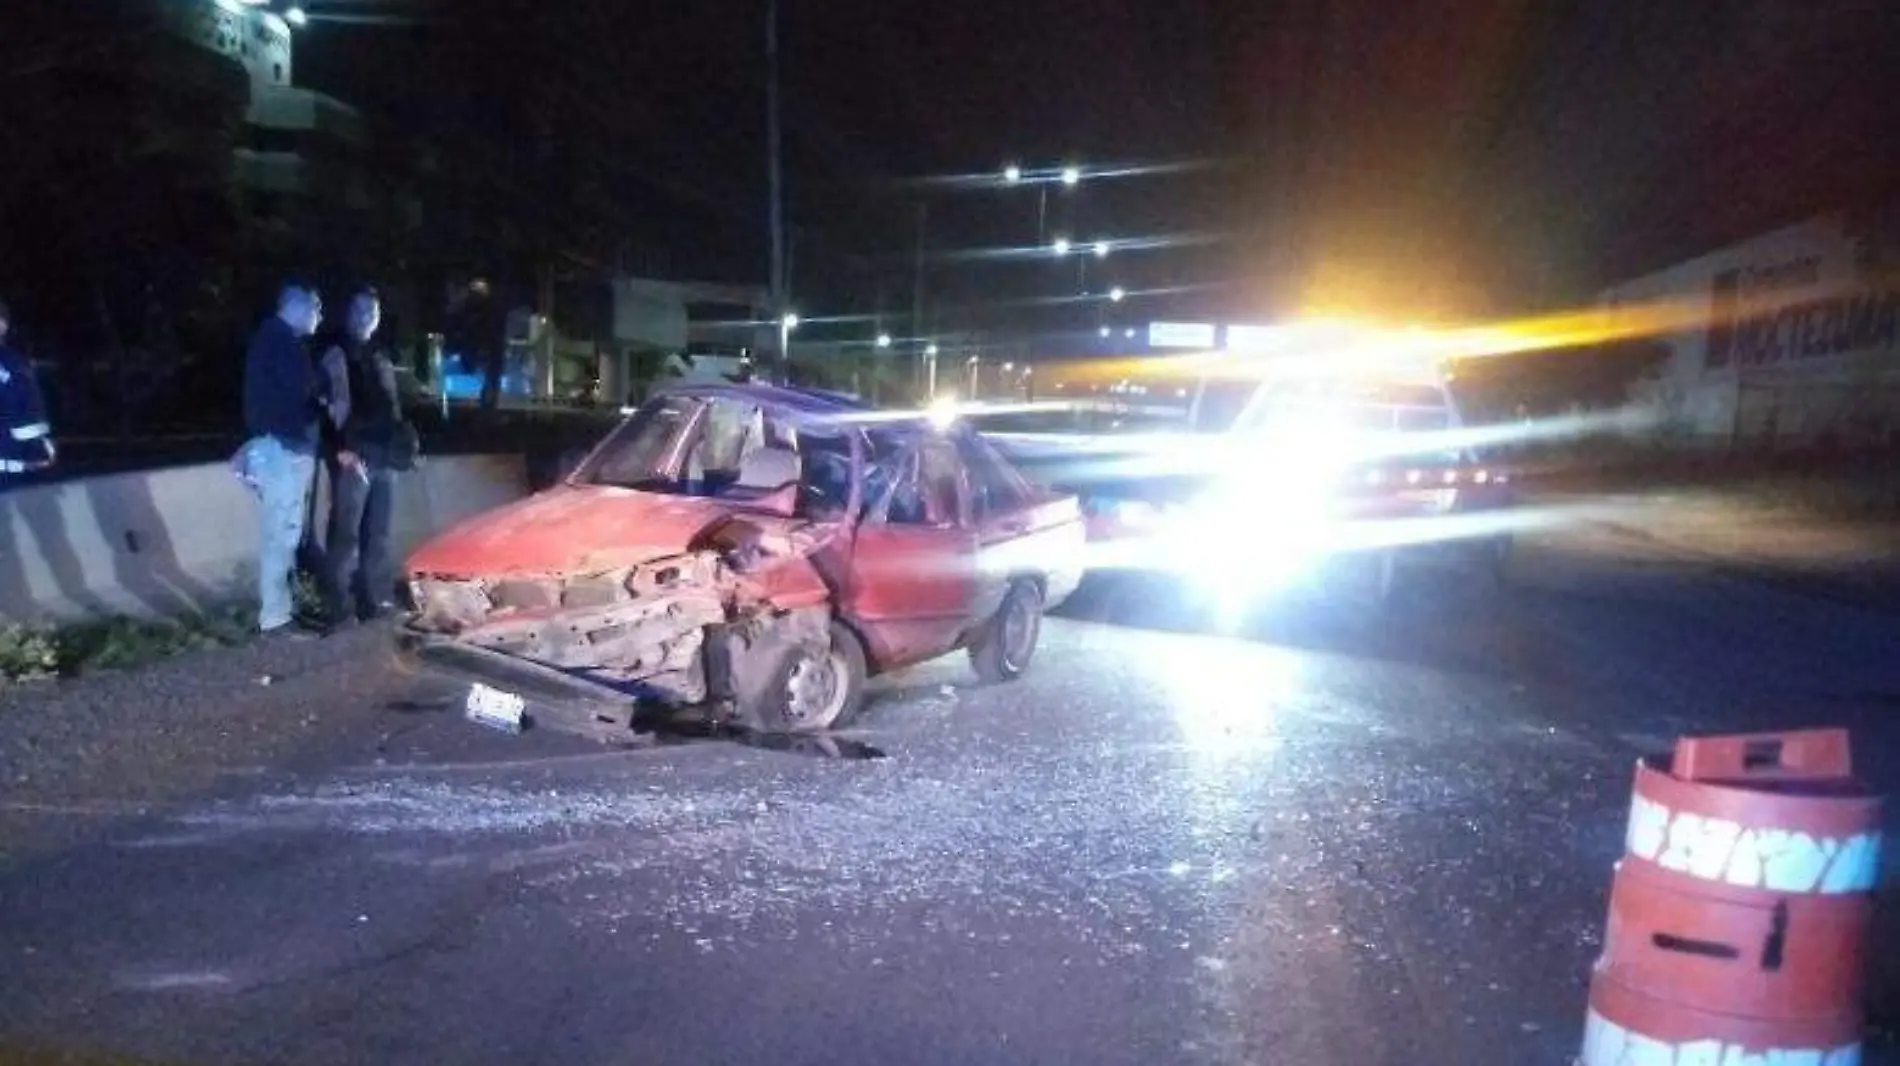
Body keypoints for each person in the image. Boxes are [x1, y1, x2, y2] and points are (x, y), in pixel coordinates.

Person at [317, 285, 417, 625]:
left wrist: (404, 447)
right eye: (360, 310)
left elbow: (393, 407)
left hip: (385, 458)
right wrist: (340, 449)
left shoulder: (380, 356)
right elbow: (328, 407)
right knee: (345, 535)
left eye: (372, 311)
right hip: (354, 458)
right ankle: (339, 607)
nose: (366, 317)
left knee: (378, 534)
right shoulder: (336, 354)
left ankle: (373, 601)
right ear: (348, 313)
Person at [240, 280, 325, 636]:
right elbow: (295, 397)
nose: (320, 315)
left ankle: (283, 611)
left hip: (282, 447)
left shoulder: (277, 340)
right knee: (280, 534)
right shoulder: (280, 342)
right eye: (316, 307)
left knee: (286, 533)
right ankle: (275, 617)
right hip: (281, 449)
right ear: (296, 305)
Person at [0, 299, 56, 483]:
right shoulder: (12, 364)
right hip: (11, 471)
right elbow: (29, 415)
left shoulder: (12, 364)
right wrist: (38, 452)